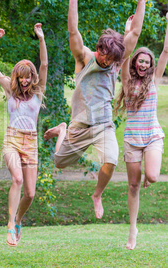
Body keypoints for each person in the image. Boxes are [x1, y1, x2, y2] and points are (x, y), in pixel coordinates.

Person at [44, 0, 146, 219]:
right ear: (99, 48)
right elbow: (73, 30)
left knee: (111, 160)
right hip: (79, 127)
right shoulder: (85, 58)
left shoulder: (117, 61)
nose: (105, 60)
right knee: (59, 162)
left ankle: (97, 195)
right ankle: (62, 129)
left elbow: (135, 32)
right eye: (103, 54)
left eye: (109, 59)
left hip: (103, 125)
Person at [0, 24, 48, 246]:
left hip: (30, 142)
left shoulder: (38, 92)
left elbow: (45, 65)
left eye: (28, 77)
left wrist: (40, 38)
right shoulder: (9, 89)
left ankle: (19, 220)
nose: (24, 81)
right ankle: (10, 225)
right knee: (17, 179)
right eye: (21, 77)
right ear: (16, 77)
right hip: (12, 139)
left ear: (32, 77)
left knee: (30, 193)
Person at [114, 13, 168, 250]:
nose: (144, 64)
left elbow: (166, 51)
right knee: (133, 186)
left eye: (147, 61)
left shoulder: (155, 79)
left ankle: (149, 173)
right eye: (141, 61)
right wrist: (128, 32)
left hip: (152, 135)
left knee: (153, 177)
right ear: (136, 62)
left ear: (151, 64)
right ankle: (132, 230)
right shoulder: (126, 81)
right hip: (133, 139)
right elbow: (124, 56)